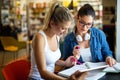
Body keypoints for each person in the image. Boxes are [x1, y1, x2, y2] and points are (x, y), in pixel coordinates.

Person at [28, 1, 87, 80]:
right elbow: (43, 72)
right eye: (63, 28)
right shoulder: (40, 38)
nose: (65, 32)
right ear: (52, 23)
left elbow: (50, 60)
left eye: (67, 29)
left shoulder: (57, 36)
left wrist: (65, 63)